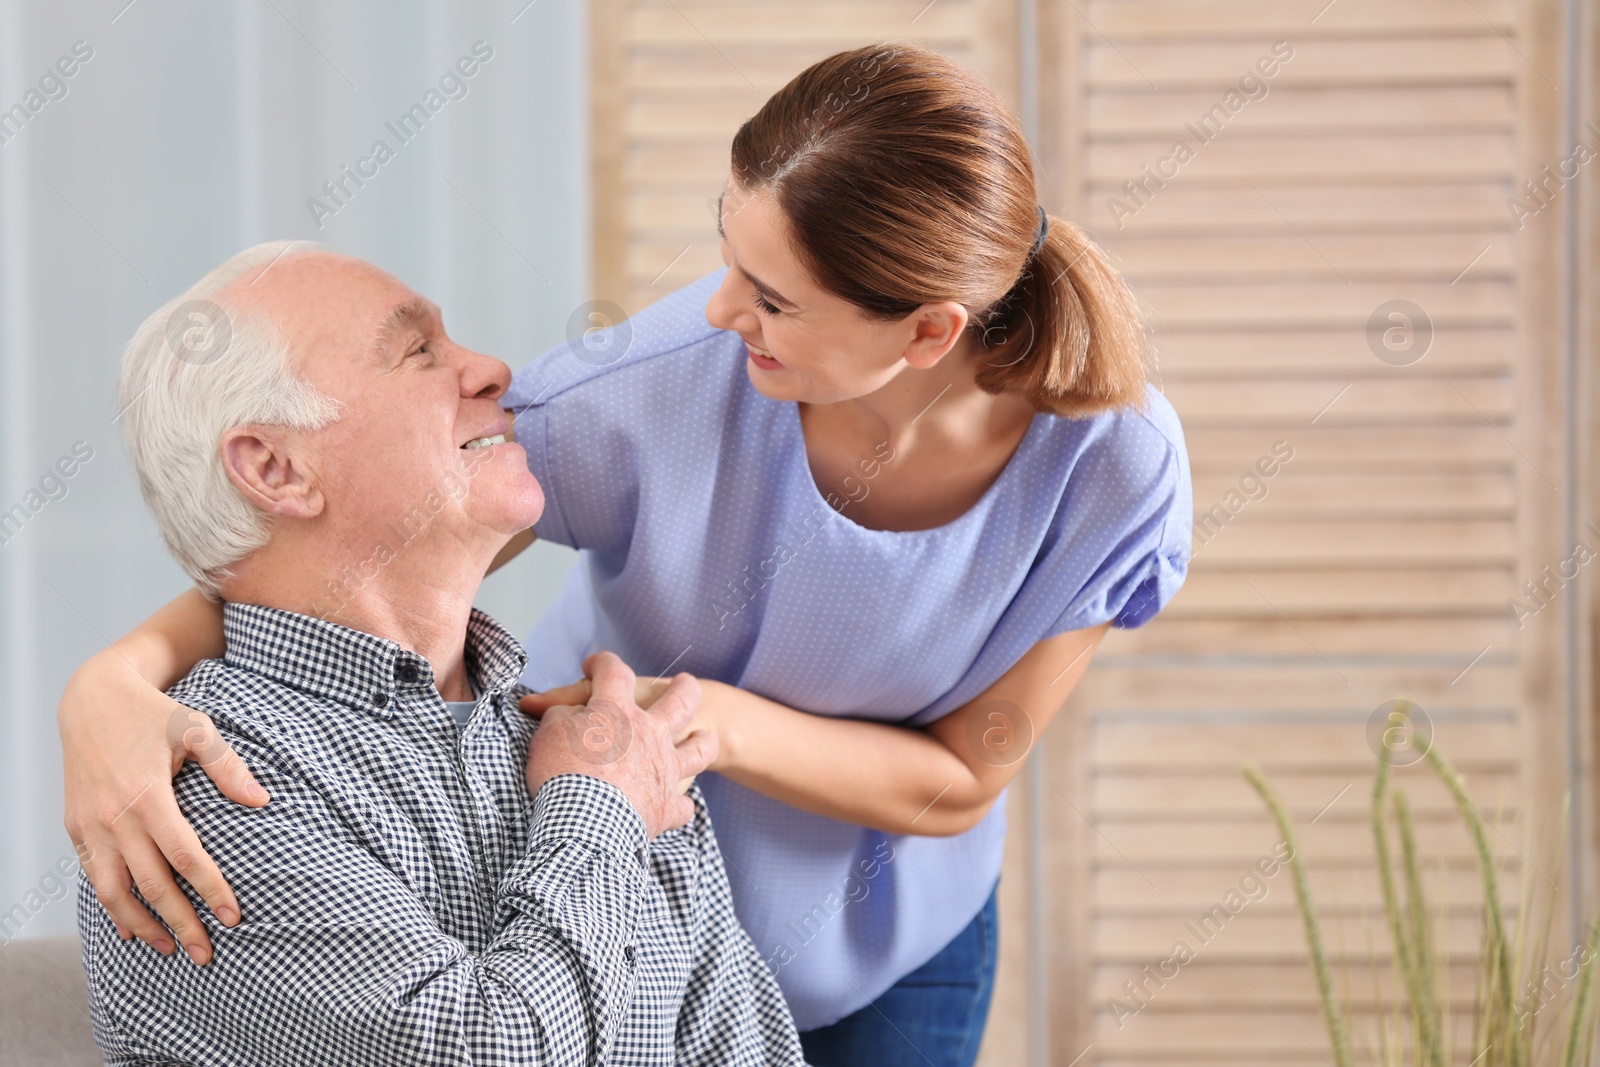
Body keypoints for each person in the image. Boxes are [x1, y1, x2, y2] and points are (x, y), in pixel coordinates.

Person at [60, 43, 1191, 1067]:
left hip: (864, 904)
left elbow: (962, 772)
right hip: (618, 808)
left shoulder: (1111, 467)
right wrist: (107, 687)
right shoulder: (646, 398)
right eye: (727, 250)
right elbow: (329, 559)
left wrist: (689, 734)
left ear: (928, 332)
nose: (715, 309)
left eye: (774, 299)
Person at [72, 243, 804, 1067]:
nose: (494, 370)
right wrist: (599, 812)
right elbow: (483, 1056)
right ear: (276, 467)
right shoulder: (192, 794)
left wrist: (604, 793)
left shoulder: (606, 748)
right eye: (418, 351)